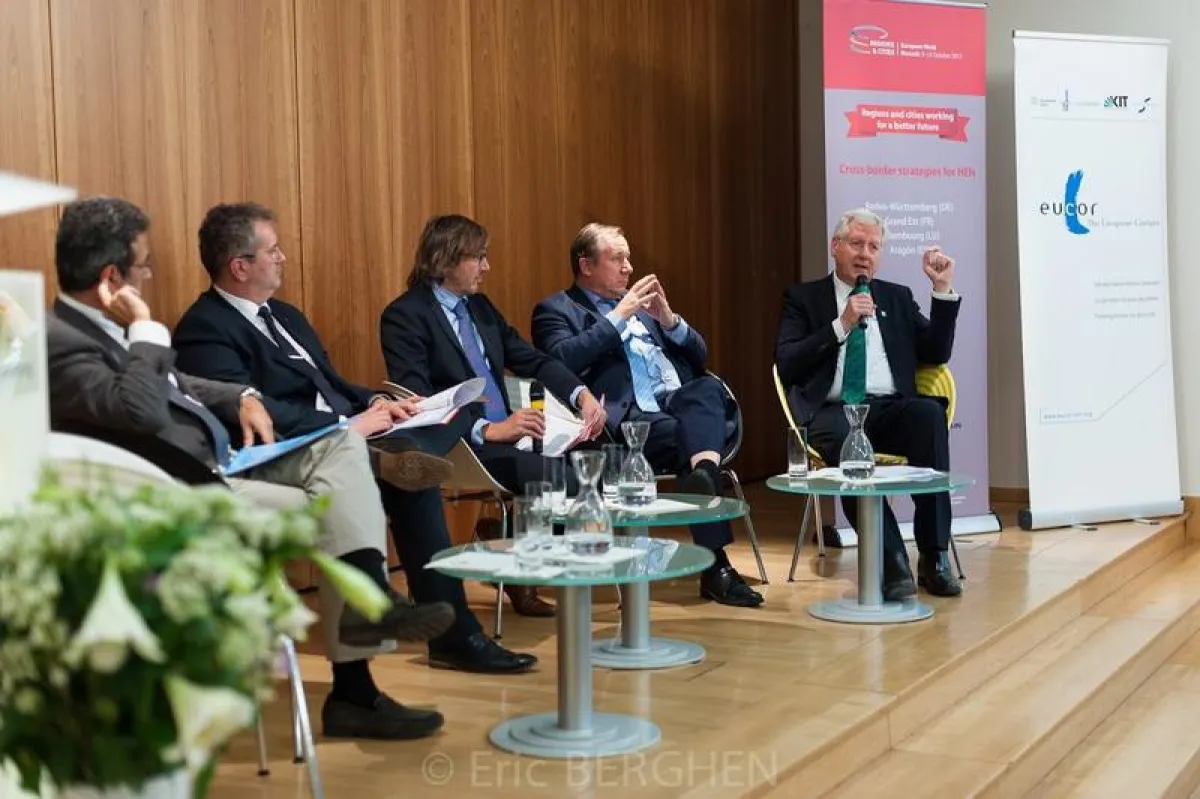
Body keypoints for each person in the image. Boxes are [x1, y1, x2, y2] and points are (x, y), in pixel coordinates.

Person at [45, 196, 455, 741]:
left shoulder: (102, 328)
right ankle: (358, 673)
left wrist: (238, 393)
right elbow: (139, 407)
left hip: (222, 467)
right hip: (177, 496)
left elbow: (172, 385)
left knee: (342, 453)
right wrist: (146, 329)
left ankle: (364, 638)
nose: (150, 275)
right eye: (143, 265)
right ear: (111, 277)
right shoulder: (60, 343)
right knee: (342, 510)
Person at [171, 202, 537, 676]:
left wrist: (378, 404)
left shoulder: (285, 315)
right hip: (286, 456)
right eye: (273, 250)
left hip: (347, 439)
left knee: (426, 444)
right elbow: (254, 412)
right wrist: (343, 428)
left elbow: (332, 385)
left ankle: (450, 631)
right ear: (240, 267)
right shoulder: (205, 329)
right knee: (410, 477)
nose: (283, 257)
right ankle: (453, 636)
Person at [378, 214, 608, 617]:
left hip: (514, 437)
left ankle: (507, 538)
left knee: (598, 467)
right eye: (478, 258)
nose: (487, 267)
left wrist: (581, 394)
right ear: (446, 259)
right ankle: (519, 555)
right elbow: (420, 401)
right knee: (568, 480)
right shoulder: (404, 316)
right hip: (460, 444)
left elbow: (530, 358)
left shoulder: (479, 307)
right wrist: (490, 429)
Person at [531, 223, 763, 607]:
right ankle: (717, 567)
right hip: (627, 425)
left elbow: (699, 358)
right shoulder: (556, 309)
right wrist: (617, 317)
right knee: (693, 442)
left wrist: (670, 320)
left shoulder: (646, 310)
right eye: (617, 258)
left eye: (628, 257)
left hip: (677, 405)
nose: (628, 267)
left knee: (705, 389)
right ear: (586, 265)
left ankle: (705, 472)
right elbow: (559, 362)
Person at [774, 207, 961, 599]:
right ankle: (891, 560)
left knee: (928, 414)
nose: (865, 254)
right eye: (857, 244)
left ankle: (933, 555)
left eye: (874, 247)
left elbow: (936, 351)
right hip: (833, 411)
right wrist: (840, 324)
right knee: (848, 441)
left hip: (889, 408)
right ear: (835, 246)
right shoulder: (803, 298)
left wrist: (942, 290)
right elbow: (787, 362)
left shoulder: (896, 295)